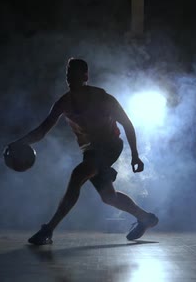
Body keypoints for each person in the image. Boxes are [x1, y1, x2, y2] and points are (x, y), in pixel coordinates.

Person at [9, 58, 158, 245]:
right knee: (108, 197)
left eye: (74, 74)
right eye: (67, 74)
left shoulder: (103, 98)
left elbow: (127, 124)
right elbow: (42, 130)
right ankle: (146, 218)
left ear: (85, 76)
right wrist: (19, 142)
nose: (69, 77)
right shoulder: (63, 103)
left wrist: (135, 155)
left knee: (78, 174)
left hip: (110, 145)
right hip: (91, 152)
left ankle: (48, 229)